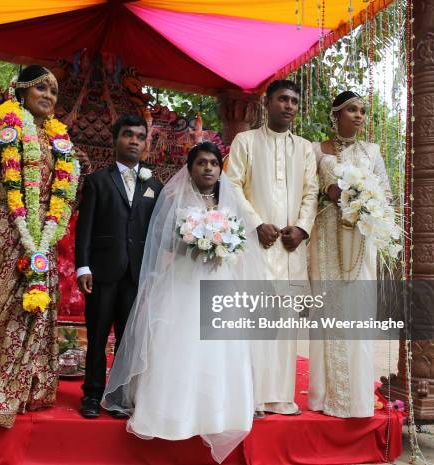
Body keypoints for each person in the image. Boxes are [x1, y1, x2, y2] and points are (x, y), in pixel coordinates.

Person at [103, 142, 263, 463]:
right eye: (201, 162)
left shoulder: (229, 201)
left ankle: (217, 414)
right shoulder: (175, 199)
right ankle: (174, 414)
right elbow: (165, 243)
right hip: (183, 283)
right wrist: (197, 241)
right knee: (181, 345)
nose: (208, 168)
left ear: (221, 170)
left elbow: (242, 245)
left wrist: (223, 245)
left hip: (219, 283)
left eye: (214, 164)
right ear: (190, 169)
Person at [0, 65, 88, 428]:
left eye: (53, 92)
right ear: (22, 92)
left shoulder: (58, 139)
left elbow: (64, 194)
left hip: (41, 238)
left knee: (37, 311)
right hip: (6, 227)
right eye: (40, 89)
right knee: (1, 310)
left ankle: (28, 389)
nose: (48, 96)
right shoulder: (4, 124)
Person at [226, 80, 318, 416]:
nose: (289, 106)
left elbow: (311, 192)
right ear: (267, 103)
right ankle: (249, 396)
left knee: (286, 324)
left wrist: (303, 228)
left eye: (294, 100)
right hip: (255, 246)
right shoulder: (246, 141)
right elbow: (231, 184)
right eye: (283, 99)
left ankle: (280, 396)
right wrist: (255, 223)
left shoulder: (305, 148)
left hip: (291, 248)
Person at [308, 91, 390, 418]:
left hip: (360, 239)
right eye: (351, 110)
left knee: (356, 308)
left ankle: (354, 398)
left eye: (362, 111)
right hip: (326, 235)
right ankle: (324, 396)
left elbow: (384, 193)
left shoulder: (372, 152)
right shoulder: (316, 150)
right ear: (336, 114)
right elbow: (309, 191)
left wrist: (368, 206)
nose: (358, 116)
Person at [75, 114, 163, 419]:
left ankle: (119, 397)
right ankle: (91, 395)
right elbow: (84, 228)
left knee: (128, 339)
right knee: (97, 335)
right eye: (128, 135)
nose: (134, 141)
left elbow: (158, 232)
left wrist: (155, 273)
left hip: (137, 274)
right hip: (102, 271)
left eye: (140, 136)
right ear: (116, 140)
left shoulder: (154, 184)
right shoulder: (98, 181)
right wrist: (83, 267)